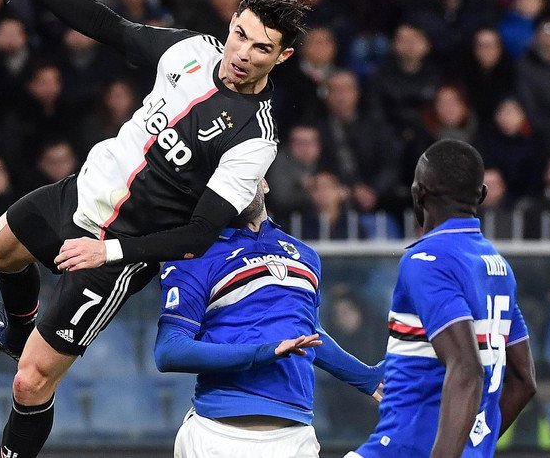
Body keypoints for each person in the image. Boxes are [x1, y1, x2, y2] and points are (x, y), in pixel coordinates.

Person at [0, 0, 309, 458]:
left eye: (262, 48)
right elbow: (108, 26)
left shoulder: (254, 139)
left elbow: (198, 237)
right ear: (232, 21)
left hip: (118, 250)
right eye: (241, 35)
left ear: (281, 56)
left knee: (29, 384)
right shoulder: (192, 50)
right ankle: (19, 333)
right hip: (82, 191)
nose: (243, 53)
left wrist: (107, 254)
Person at [156, 179, 383, 457]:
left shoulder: (306, 255)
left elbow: (310, 334)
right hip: (217, 436)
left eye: (243, 173)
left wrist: (365, 377)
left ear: (263, 182)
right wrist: (263, 353)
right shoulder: (193, 256)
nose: (235, 183)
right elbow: (169, 351)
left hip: (296, 436)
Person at [347, 139, 536, 458]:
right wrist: (473, 446)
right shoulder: (498, 266)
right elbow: (523, 381)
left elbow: (466, 367)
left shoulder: (426, 259)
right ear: (483, 195)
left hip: (402, 449)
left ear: (419, 192)